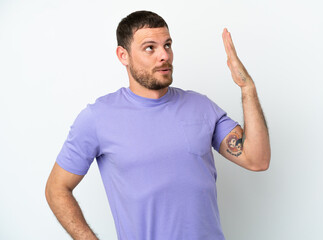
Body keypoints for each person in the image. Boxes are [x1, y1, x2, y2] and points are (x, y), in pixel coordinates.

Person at [45, 10, 270, 240]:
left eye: (168, 45)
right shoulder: (97, 118)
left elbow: (257, 159)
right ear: (123, 55)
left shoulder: (201, 107)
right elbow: (56, 189)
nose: (164, 55)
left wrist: (247, 88)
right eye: (150, 47)